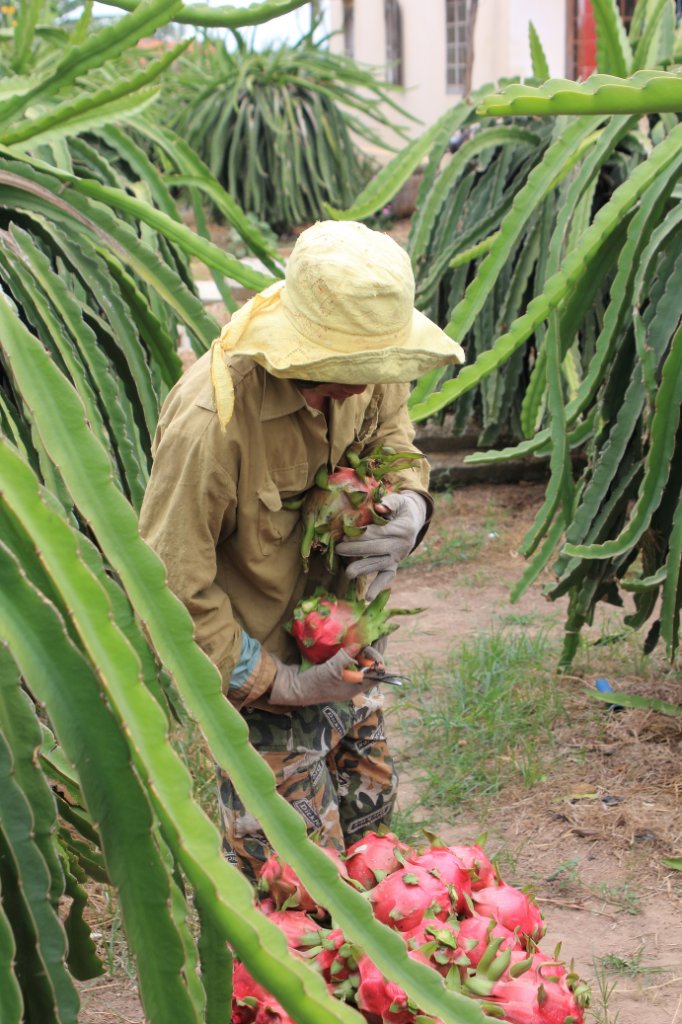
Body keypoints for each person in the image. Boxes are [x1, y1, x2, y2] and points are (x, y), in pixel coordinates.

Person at [139, 220, 464, 880]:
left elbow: (394, 442)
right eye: (350, 371)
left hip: (349, 641)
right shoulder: (212, 422)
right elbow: (170, 582)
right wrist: (276, 681)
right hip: (259, 671)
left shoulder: (373, 365)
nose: (364, 385)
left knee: (375, 825)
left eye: (377, 367)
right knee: (291, 878)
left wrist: (410, 504)